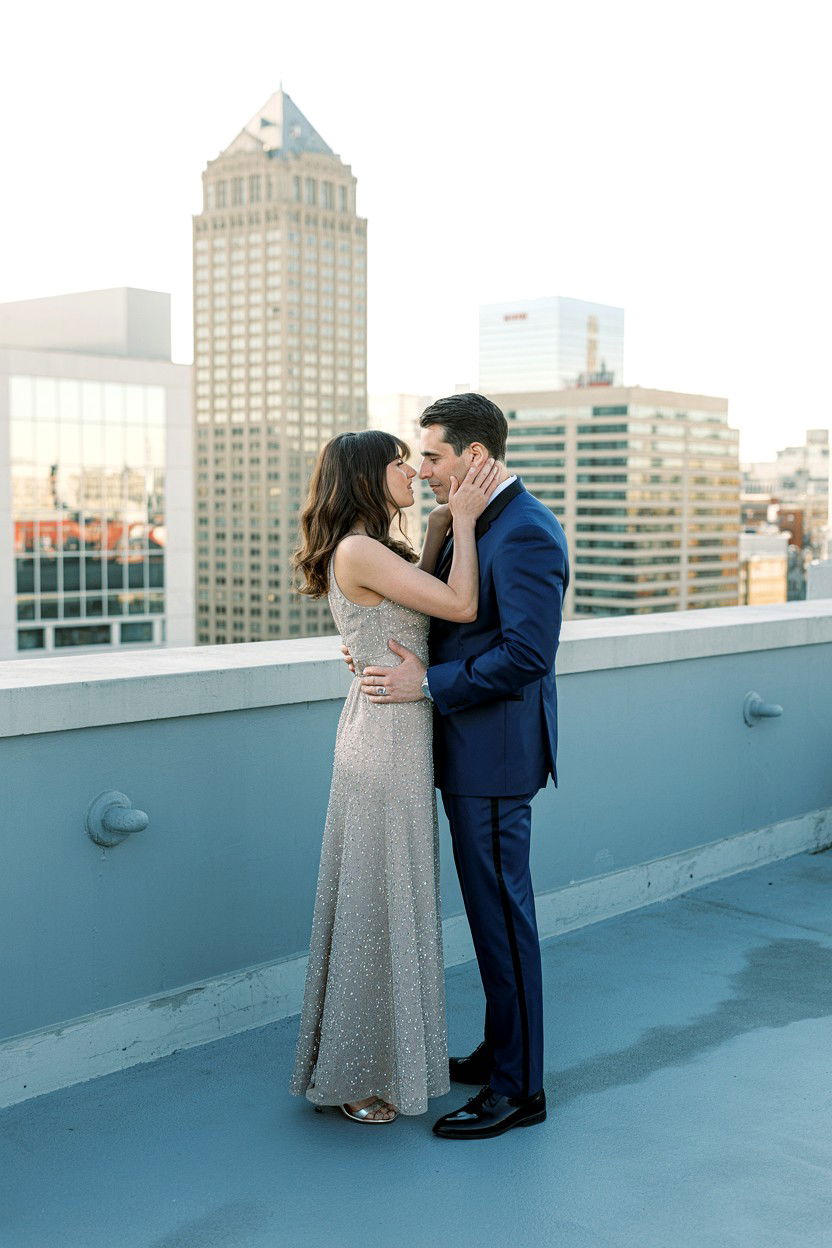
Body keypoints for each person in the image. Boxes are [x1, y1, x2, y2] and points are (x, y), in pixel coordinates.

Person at [351, 393, 569, 1139]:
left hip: (495, 758)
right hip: (464, 750)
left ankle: (519, 1091)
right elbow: (442, 615)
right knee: (488, 919)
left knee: (503, 921)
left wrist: (426, 685)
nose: (424, 470)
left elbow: (528, 656)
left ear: (475, 456)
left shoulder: (529, 532)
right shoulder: (473, 524)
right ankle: (501, 1049)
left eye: (434, 457)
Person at [289, 429, 500, 1123]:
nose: (411, 469)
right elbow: (461, 605)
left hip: (396, 731)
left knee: (390, 893)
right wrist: (464, 522)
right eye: (398, 462)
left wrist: (442, 520)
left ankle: (373, 1059)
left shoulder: (374, 548)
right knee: (375, 901)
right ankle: (353, 1076)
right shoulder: (358, 549)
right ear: (365, 477)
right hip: (384, 736)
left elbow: (413, 608)